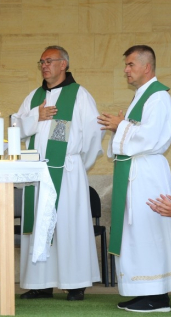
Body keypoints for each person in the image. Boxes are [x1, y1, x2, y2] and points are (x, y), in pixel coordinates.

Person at [11, 45, 104, 301]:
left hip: (68, 171)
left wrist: (76, 164)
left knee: (68, 226)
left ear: (64, 64)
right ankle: (41, 284)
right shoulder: (33, 97)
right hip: (37, 173)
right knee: (40, 226)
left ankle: (75, 283)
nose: (44, 65)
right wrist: (35, 116)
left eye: (49, 60)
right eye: (41, 61)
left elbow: (95, 133)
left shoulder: (80, 95)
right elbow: (14, 127)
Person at [98, 45, 171, 313]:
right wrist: (121, 125)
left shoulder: (158, 98)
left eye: (131, 65)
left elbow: (151, 137)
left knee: (148, 230)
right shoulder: (141, 97)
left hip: (147, 174)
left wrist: (119, 126)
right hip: (134, 173)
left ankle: (157, 295)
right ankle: (142, 290)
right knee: (135, 232)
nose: (126, 70)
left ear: (147, 66)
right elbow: (135, 133)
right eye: (126, 65)